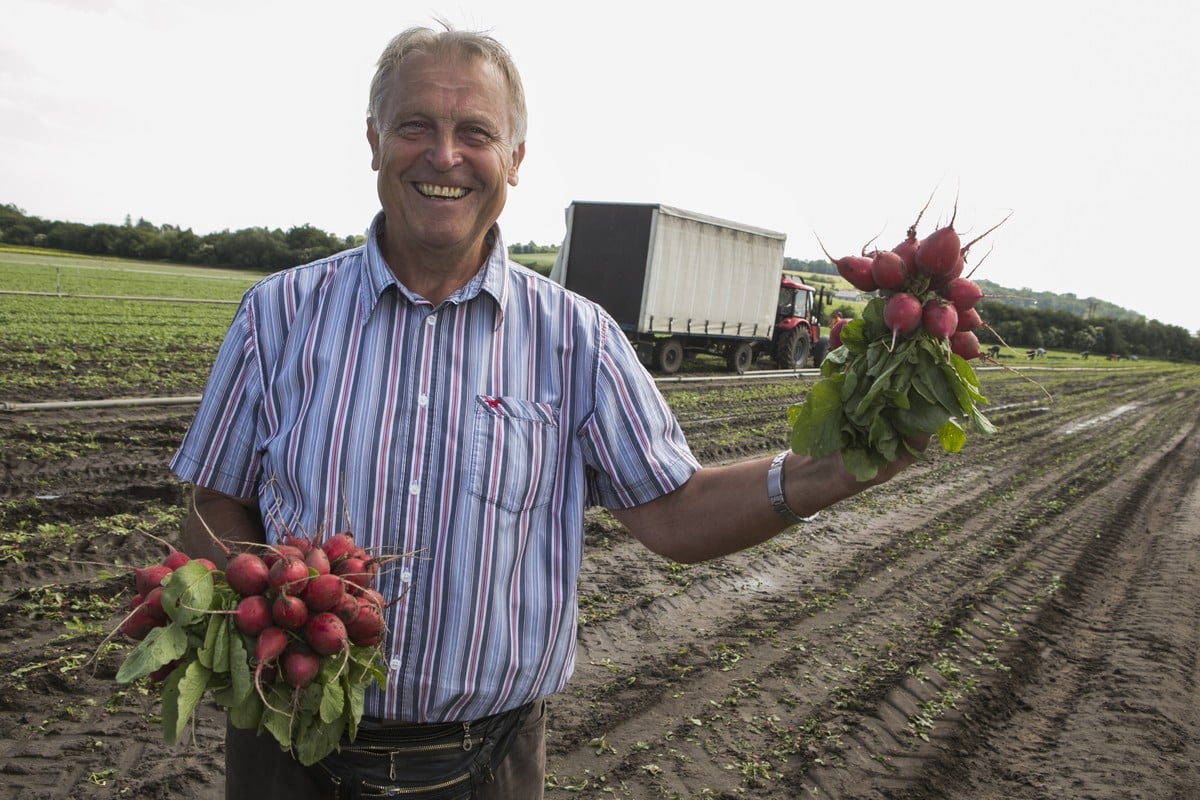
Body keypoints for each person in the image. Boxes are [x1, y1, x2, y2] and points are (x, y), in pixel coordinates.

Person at [173, 23, 922, 800]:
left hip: (482, 767)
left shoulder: (577, 339)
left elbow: (674, 510)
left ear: (515, 160)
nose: (444, 156)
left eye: (475, 133)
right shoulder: (279, 314)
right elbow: (213, 495)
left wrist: (821, 475)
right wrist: (258, 600)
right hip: (284, 751)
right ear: (373, 142)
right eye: (415, 127)